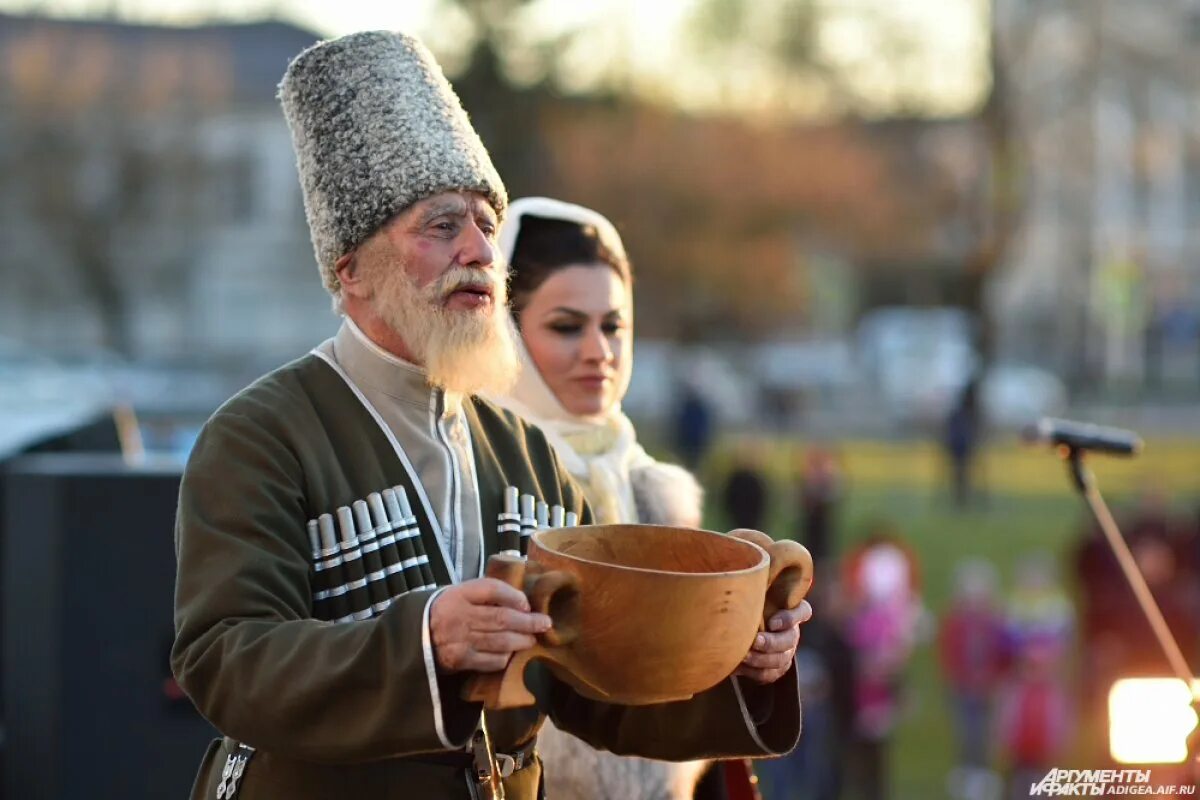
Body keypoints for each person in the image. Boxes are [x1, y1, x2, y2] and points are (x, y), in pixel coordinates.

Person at [170, 33, 809, 800]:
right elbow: (223, 659)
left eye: (484, 222)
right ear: (352, 270)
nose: (480, 249)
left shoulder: (527, 453)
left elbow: (593, 689)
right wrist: (424, 641)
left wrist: (732, 656)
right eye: (442, 226)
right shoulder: (262, 435)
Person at [491, 197, 811, 800]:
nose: (598, 351)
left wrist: (750, 648)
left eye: (613, 325)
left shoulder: (650, 484)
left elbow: (666, 693)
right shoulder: (480, 473)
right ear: (505, 329)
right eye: (566, 325)